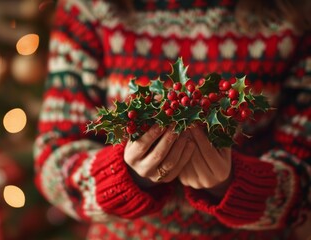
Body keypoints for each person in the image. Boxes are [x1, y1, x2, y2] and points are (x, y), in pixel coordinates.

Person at [34, 0, 311, 239]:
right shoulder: (89, 7)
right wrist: (124, 176)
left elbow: (305, 179)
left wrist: (232, 184)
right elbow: (54, 160)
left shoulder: (297, 13)